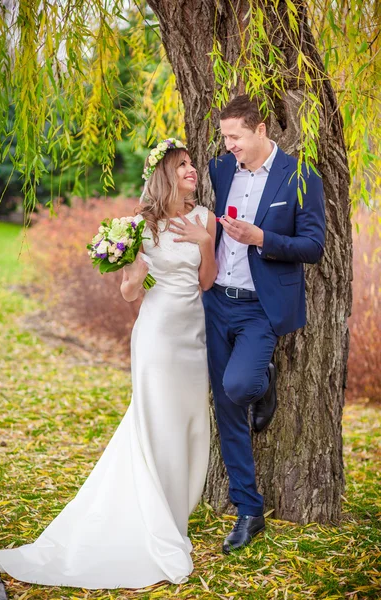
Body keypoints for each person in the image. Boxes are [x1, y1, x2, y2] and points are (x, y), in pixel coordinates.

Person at [0, 139, 218, 589]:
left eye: (192, 164)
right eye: (183, 165)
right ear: (165, 175)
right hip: (156, 338)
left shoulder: (205, 219)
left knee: (189, 423)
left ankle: (174, 512)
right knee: (155, 422)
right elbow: (130, 294)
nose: (192, 170)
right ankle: (153, 520)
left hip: (194, 337)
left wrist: (206, 242)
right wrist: (131, 275)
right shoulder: (139, 227)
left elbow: (206, 281)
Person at [203, 95, 326, 554]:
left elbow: (314, 246)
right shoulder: (220, 171)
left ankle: (261, 379)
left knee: (239, 387)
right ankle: (248, 511)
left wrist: (261, 238)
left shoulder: (300, 176)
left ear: (260, 130)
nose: (228, 145)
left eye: (235, 137)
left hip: (260, 307)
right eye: (225, 138)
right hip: (216, 303)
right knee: (227, 411)